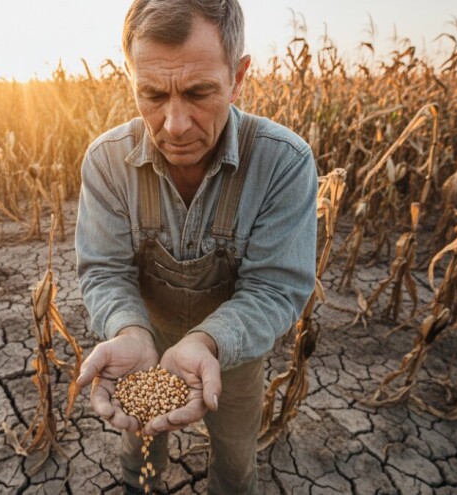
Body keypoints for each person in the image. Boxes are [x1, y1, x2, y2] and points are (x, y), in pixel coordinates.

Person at [74, 1, 317, 493]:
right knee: (139, 450)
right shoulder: (106, 162)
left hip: (232, 353)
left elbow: (275, 287)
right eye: (153, 94)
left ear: (239, 76)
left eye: (199, 92)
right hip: (140, 343)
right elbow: (103, 271)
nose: (175, 123)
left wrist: (208, 342)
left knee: (234, 461)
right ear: (131, 79)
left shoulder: (283, 163)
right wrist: (128, 331)